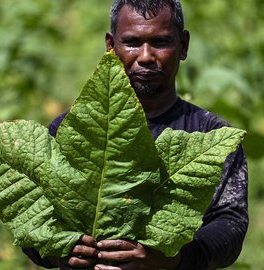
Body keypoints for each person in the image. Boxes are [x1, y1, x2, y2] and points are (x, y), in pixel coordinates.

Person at [22, 0, 248, 269]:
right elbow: (30, 215)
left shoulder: (211, 135)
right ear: (110, 45)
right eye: (131, 42)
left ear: (184, 45)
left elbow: (230, 223)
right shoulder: (68, 131)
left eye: (160, 42)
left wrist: (173, 260)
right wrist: (57, 252)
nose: (145, 56)